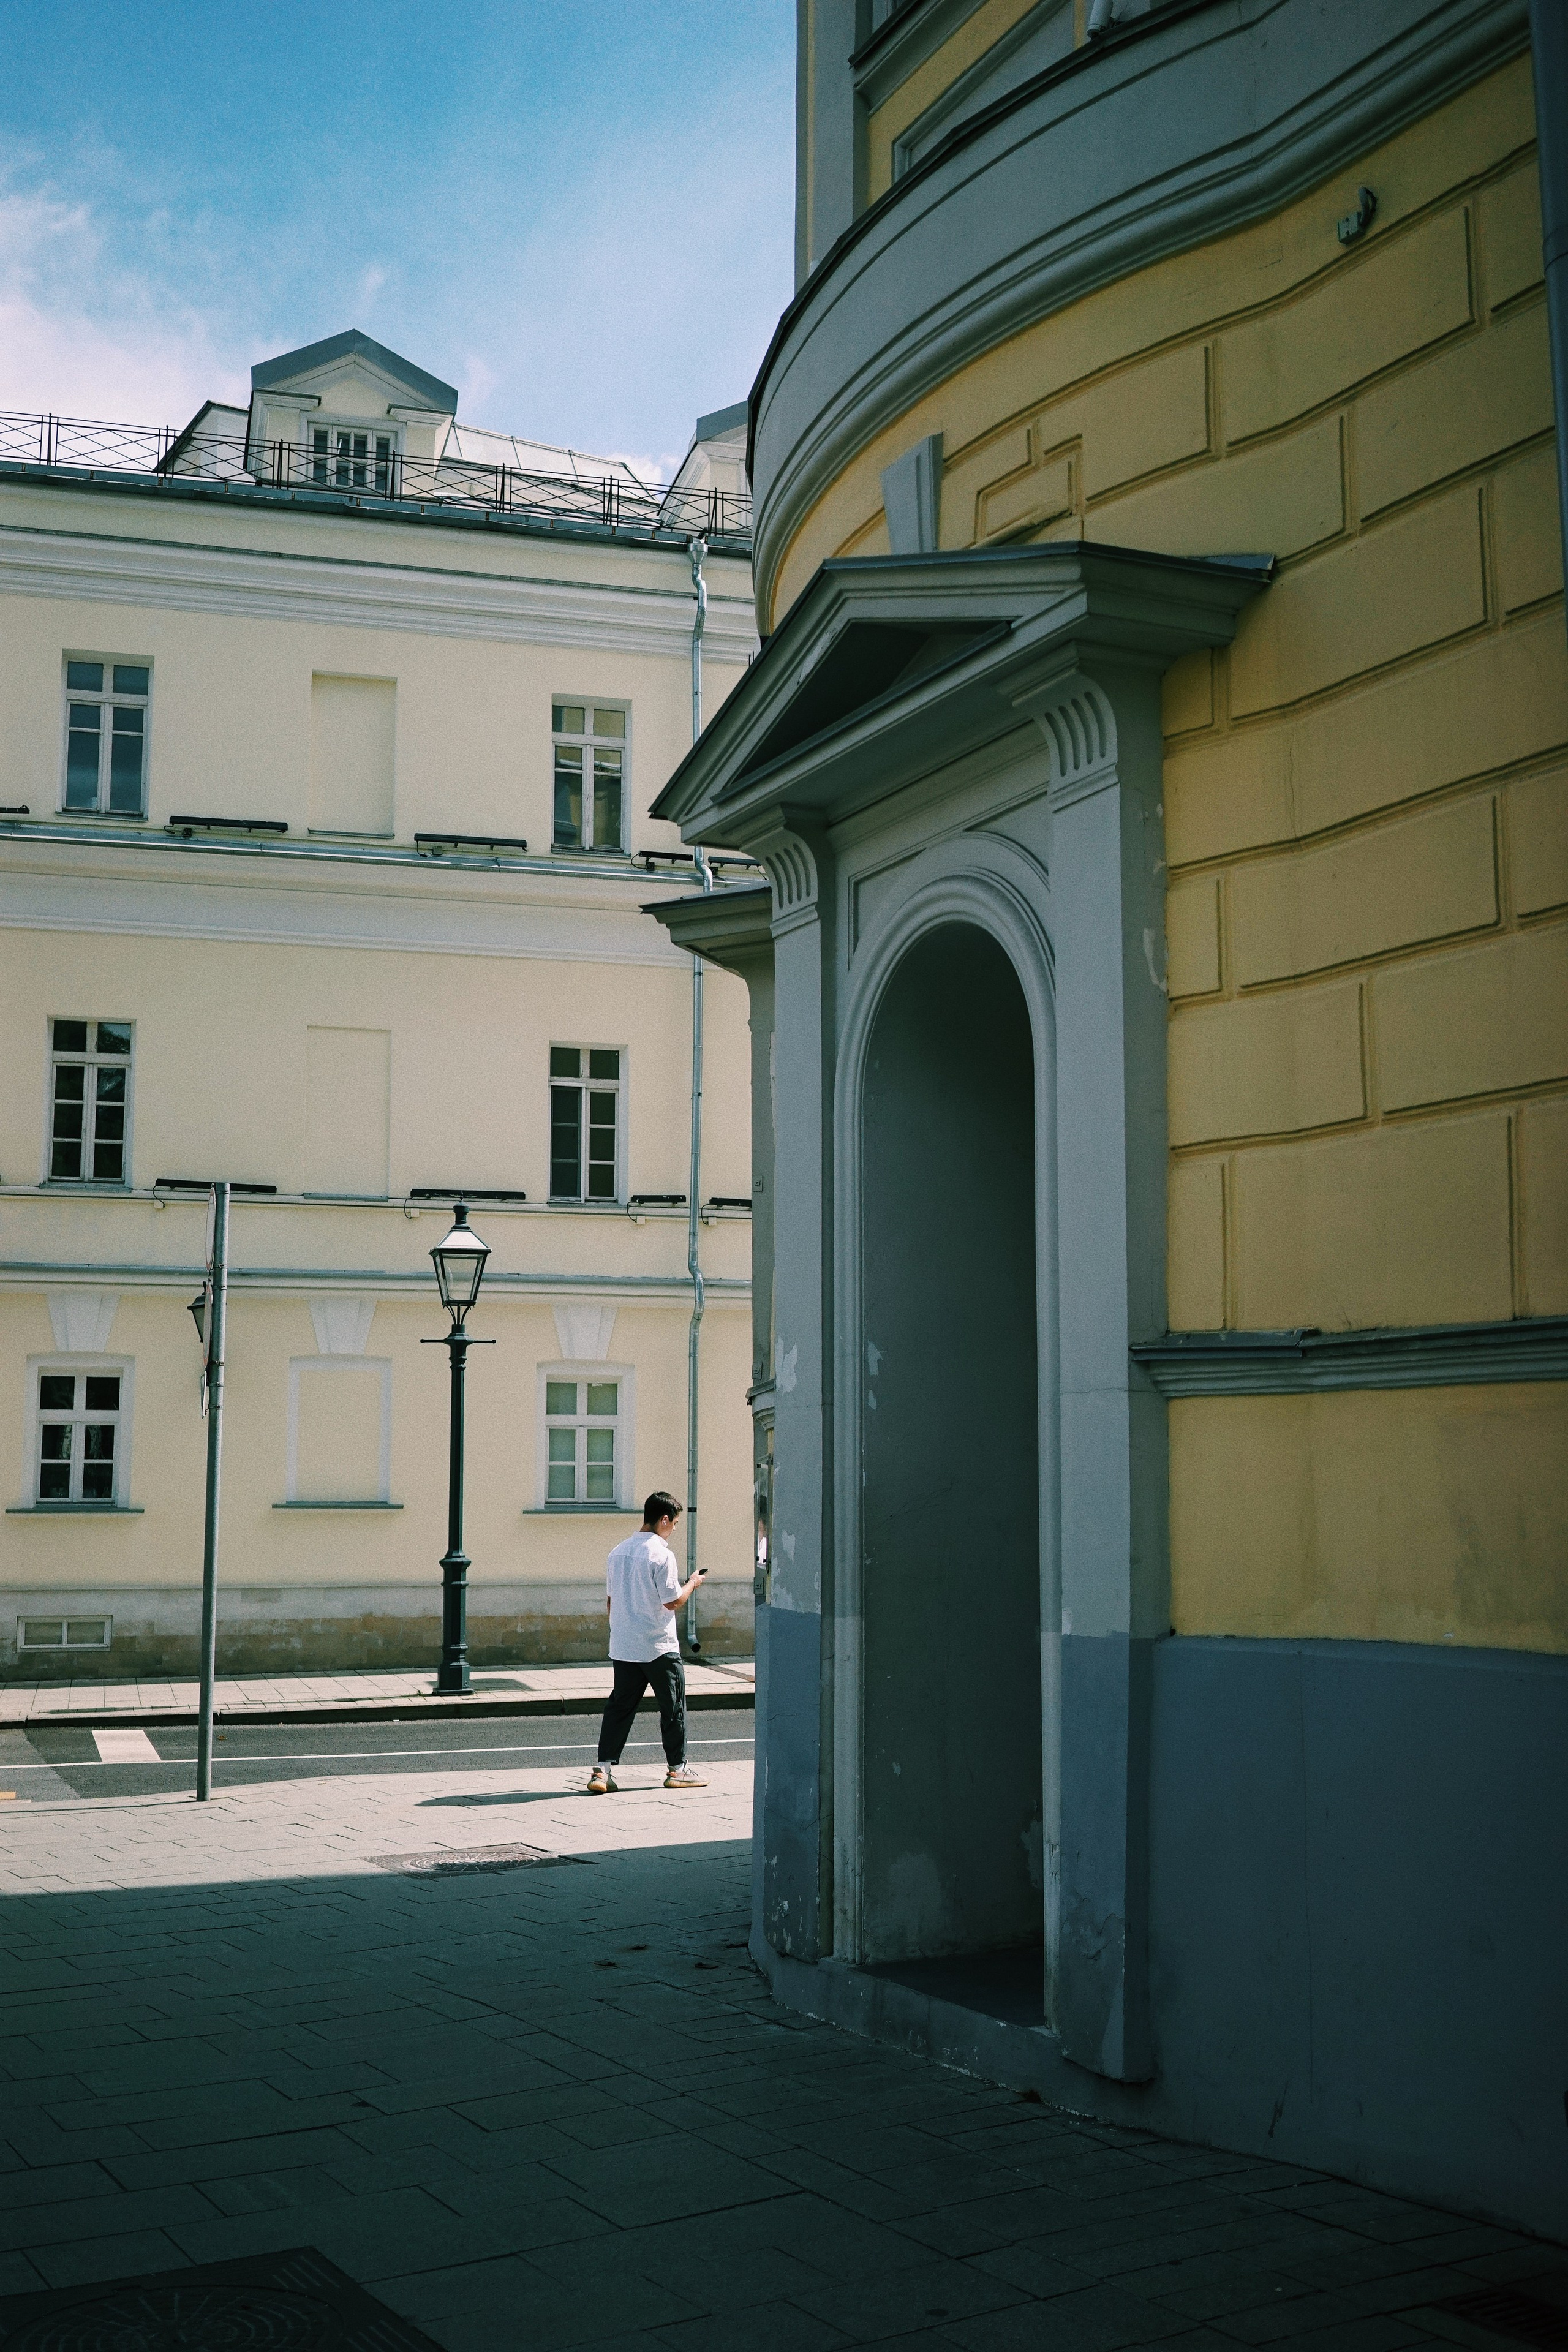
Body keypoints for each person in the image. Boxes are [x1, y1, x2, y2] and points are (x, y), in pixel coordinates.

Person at [588, 1491, 707, 1793]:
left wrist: (618, 1632)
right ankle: (678, 1770)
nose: (676, 1529)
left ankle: (602, 1772)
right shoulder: (662, 1555)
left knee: (620, 1707)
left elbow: (611, 1601)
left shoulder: (617, 1552)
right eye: (675, 1522)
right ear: (664, 1519)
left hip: (626, 1646)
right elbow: (673, 1602)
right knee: (672, 1707)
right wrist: (693, 1582)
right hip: (658, 1646)